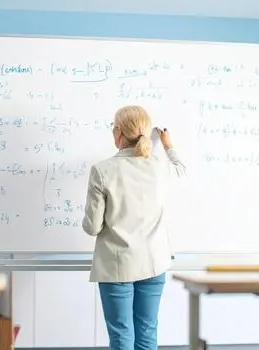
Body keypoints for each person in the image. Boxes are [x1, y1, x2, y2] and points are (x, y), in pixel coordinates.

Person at [82, 105, 187, 350]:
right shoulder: (160, 166)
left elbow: (92, 227)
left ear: (118, 133)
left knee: (121, 336)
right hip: (154, 262)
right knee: (147, 333)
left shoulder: (102, 170)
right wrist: (168, 145)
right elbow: (181, 170)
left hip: (116, 265)